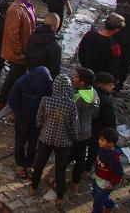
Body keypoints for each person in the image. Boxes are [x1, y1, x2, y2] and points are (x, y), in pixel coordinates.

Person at [30, 74, 80, 205]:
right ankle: (60, 196)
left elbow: (39, 120)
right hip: (63, 142)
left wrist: (43, 128)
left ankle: (33, 187)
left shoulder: (46, 100)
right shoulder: (71, 105)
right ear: (68, 88)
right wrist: (75, 138)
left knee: (39, 164)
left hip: (46, 138)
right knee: (60, 169)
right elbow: (73, 127)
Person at [8, 66, 53, 178]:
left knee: (33, 142)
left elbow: (50, 99)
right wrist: (17, 112)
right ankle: (20, 163)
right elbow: (12, 99)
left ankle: (29, 163)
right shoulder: (21, 83)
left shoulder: (47, 84)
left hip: (37, 119)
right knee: (20, 141)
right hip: (22, 117)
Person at [0, 0, 37, 107]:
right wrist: (18, 53)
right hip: (18, 53)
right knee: (15, 78)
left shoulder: (27, 6)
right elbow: (12, 34)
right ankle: (4, 102)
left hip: (26, 49)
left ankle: (8, 101)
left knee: (16, 77)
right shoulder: (15, 9)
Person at [70, 67, 100, 192]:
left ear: (82, 82)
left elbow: (71, 115)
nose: (73, 78)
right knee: (81, 157)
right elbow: (95, 113)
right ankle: (75, 183)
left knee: (66, 156)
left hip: (75, 131)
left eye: (76, 77)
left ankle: (58, 180)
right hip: (87, 131)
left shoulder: (77, 97)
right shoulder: (94, 93)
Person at [87, 72, 117, 173]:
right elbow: (110, 120)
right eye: (110, 85)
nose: (112, 87)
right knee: (93, 151)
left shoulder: (89, 92)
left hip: (86, 126)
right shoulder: (105, 101)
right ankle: (87, 169)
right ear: (100, 84)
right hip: (98, 130)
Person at [77, 13, 124, 78]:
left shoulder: (89, 34)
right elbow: (113, 67)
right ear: (117, 29)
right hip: (100, 77)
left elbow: (80, 51)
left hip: (84, 72)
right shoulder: (114, 47)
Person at [92, 127, 123, 213]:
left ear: (110, 144)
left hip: (106, 184)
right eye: (99, 139)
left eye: (102, 140)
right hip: (98, 179)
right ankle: (110, 205)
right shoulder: (102, 149)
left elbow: (119, 173)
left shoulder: (113, 157)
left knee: (97, 203)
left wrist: (112, 183)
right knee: (96, 195)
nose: (99, 141)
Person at [27, 13, 62, 78]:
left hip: (31, 74)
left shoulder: (32, 36)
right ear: (56, 25)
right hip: (44, 80)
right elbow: (54, 71)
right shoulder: (55, 47)